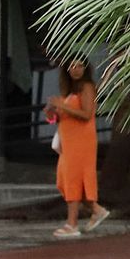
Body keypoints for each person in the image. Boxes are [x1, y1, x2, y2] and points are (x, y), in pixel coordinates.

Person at [47, 58, 111, 239]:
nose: (76, 69)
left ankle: (72, 224)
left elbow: (87, 114)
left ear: (86, 68)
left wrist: (61, 105)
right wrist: (52, 111)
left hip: (82, 141)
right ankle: (96, 209)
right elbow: (56, 119)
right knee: (63, 180)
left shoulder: (87, 87)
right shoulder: (68, 92)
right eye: (72, 66)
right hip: (68, 142)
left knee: (73, 179)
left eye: (80, 65)